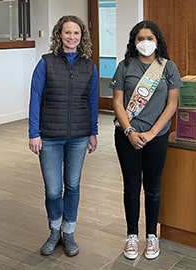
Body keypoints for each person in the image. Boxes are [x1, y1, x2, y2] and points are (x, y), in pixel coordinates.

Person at [28, 15, 99, 257]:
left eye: (76, 33)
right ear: (60, 35)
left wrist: (93, 132)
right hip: (49, 137)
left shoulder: (89, 66)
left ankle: (68, 233)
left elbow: (92, 101)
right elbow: (35, 98)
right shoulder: (46, 63)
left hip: (79, 136)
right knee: (52, 189)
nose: (72, 37)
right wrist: (33, 133)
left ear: (82, 37)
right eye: (67, 32)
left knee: (73, 185)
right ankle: (54, 230)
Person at [111, 20, 182, 260]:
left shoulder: (168, 67)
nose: (145, 43)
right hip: (127, 137)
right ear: (133, 42)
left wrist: (152, 134)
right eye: (140, 39)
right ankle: (132, 236)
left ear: (157, 41)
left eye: (149, 38)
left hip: (157, 137)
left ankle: (152, 236)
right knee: (131, 187)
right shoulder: (124, 66)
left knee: (153, 188)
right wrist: (130, 131)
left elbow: (172, 104)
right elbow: (117, 102)